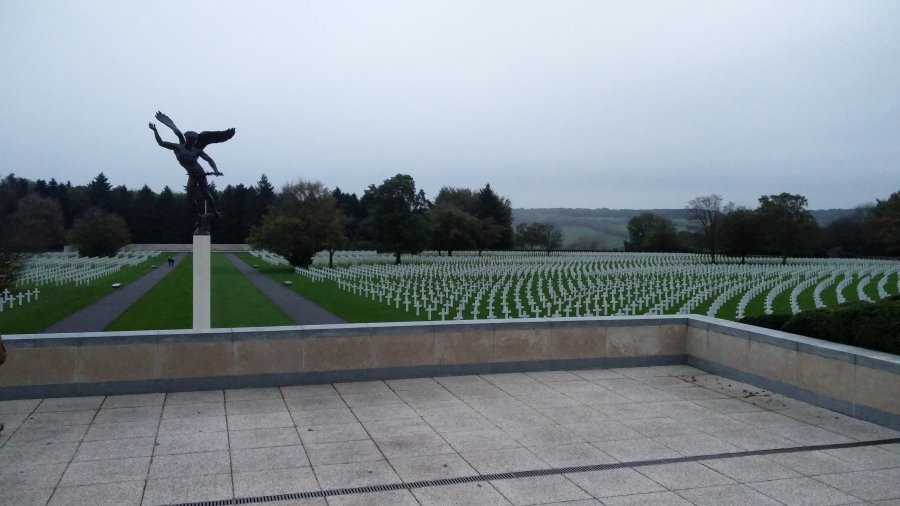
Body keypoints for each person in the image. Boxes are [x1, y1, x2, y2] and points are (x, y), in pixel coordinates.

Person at [149, 111, 235, 232]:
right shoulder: (178, 147)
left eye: (195, 141)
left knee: (205, 192)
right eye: (192, 141)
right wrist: (155, 131)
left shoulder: (196, 150)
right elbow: (161, 143)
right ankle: (198, 216)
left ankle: (214, 211)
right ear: (187, 139)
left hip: (200, 174)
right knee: (189, 197)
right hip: (192, 175)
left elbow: (209, 159)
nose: (194, 143)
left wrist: (215, 170)